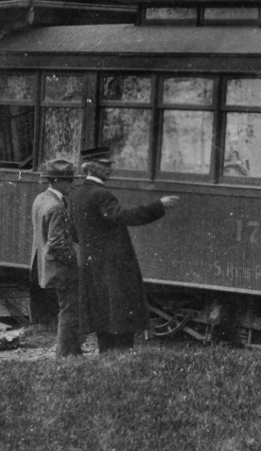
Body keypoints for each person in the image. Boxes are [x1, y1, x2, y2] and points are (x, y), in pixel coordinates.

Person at [68, 147, 179, 353]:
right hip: (114, 269)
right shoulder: (102, 195)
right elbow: (126, 216)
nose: (110, 169)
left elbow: (74, 232)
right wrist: (158, 206)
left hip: (92, 267)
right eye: (105, 165)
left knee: (103, 320)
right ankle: (121, 365)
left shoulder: (76, 194)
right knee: (120, 319)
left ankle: (107, 363)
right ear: (92, 167)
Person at [30, 158, 81, 359]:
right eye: (69, 181)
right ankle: (66, 354)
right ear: (58, 181)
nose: (72, 185)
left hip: (47, 266)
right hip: (62, 269)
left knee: (67, 310)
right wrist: (75, 261)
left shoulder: (40, 199)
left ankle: (72, 352)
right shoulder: (57, 207)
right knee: (69, 312)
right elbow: (57, 243)